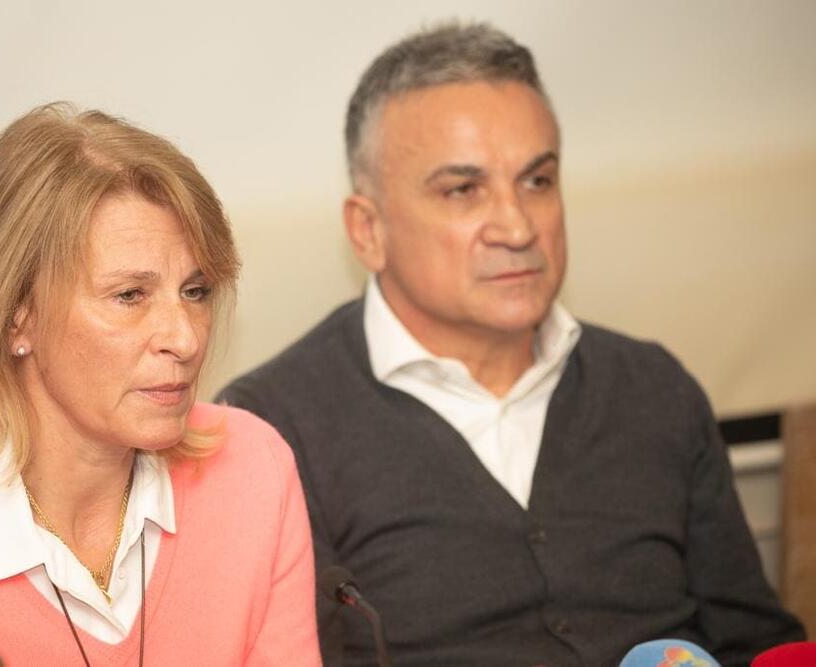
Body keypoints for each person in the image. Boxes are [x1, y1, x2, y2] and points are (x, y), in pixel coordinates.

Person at [217, 22, 804, 666]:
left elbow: (759, 645)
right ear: (368, 230)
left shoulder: (652, 387)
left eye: (537, 181)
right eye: (463, 190)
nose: (518, 226)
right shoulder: (272, 430)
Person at [0, 103, 320, 666]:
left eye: (195, 292)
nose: (184, 339)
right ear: (17, 317)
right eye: (130, 296)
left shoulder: (252, 468)